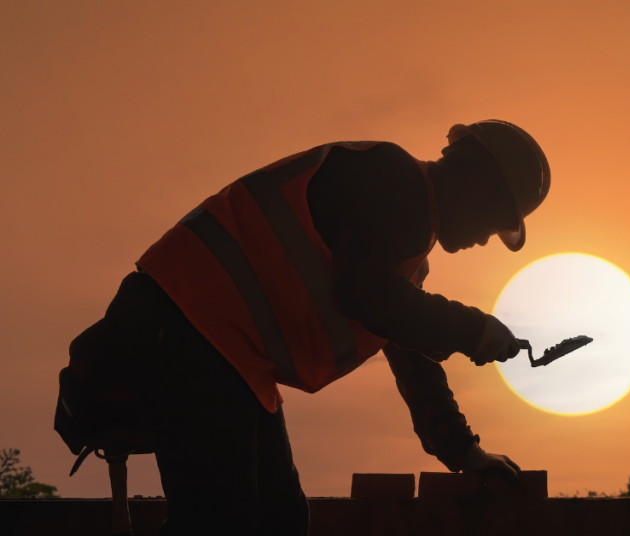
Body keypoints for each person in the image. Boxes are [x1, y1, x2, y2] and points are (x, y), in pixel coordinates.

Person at [91, 120, 550, 535]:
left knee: (280, 521)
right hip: (189, 324)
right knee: (222, 522)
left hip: (228, 351)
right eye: (495, 220)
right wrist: (471, 329)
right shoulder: (394, 180)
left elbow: (408, 350)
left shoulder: (404, 246)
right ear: (477, 184)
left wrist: (463, 451)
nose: (485, 238)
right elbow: (367, 296)